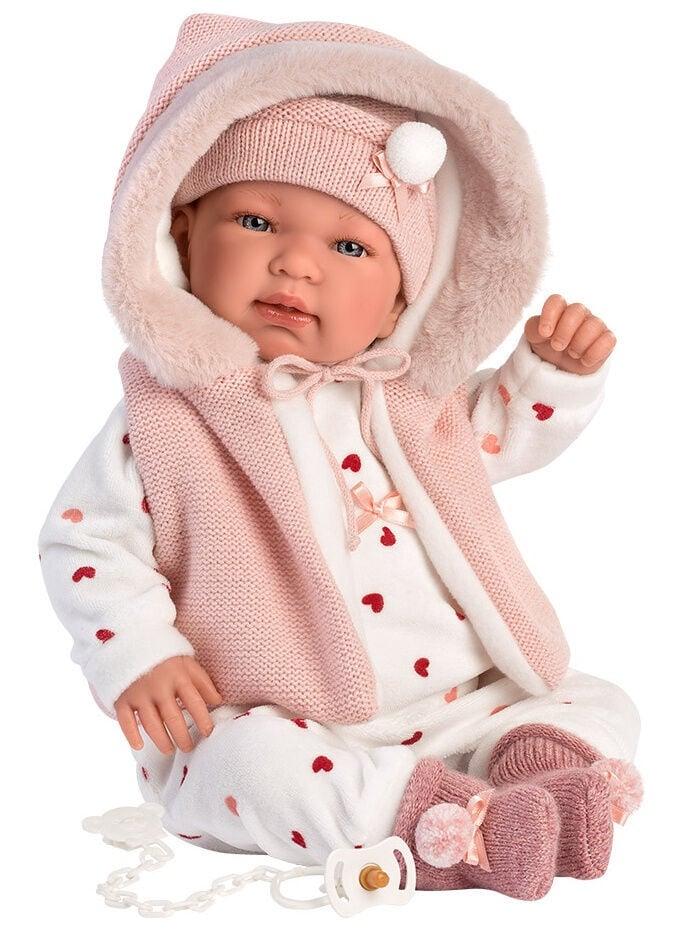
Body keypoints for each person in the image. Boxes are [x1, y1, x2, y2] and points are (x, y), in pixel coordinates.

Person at [37, 13, 643, 900]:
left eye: (350, 245)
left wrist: (552, 372)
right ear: (180, 234)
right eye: (255, 220)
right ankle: (444, 828)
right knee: (246, 766)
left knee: (599, 700)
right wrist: (138, 653)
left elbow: (503, 431)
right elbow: (85, 542)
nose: (296, 264)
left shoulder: (409, 402)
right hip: (288, 721)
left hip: (469, 704)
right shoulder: (167, 419)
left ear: (400, 302)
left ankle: (537, 774)